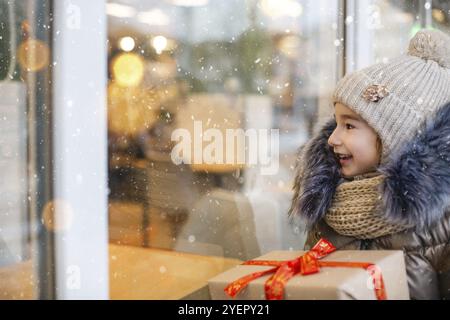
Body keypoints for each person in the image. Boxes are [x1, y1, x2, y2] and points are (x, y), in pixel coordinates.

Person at [289, 29, 450, 300]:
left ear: (397, 136)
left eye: (349, 126)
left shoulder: (439, 221)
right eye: (336, 123)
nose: (332, 139)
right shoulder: (329, 205)